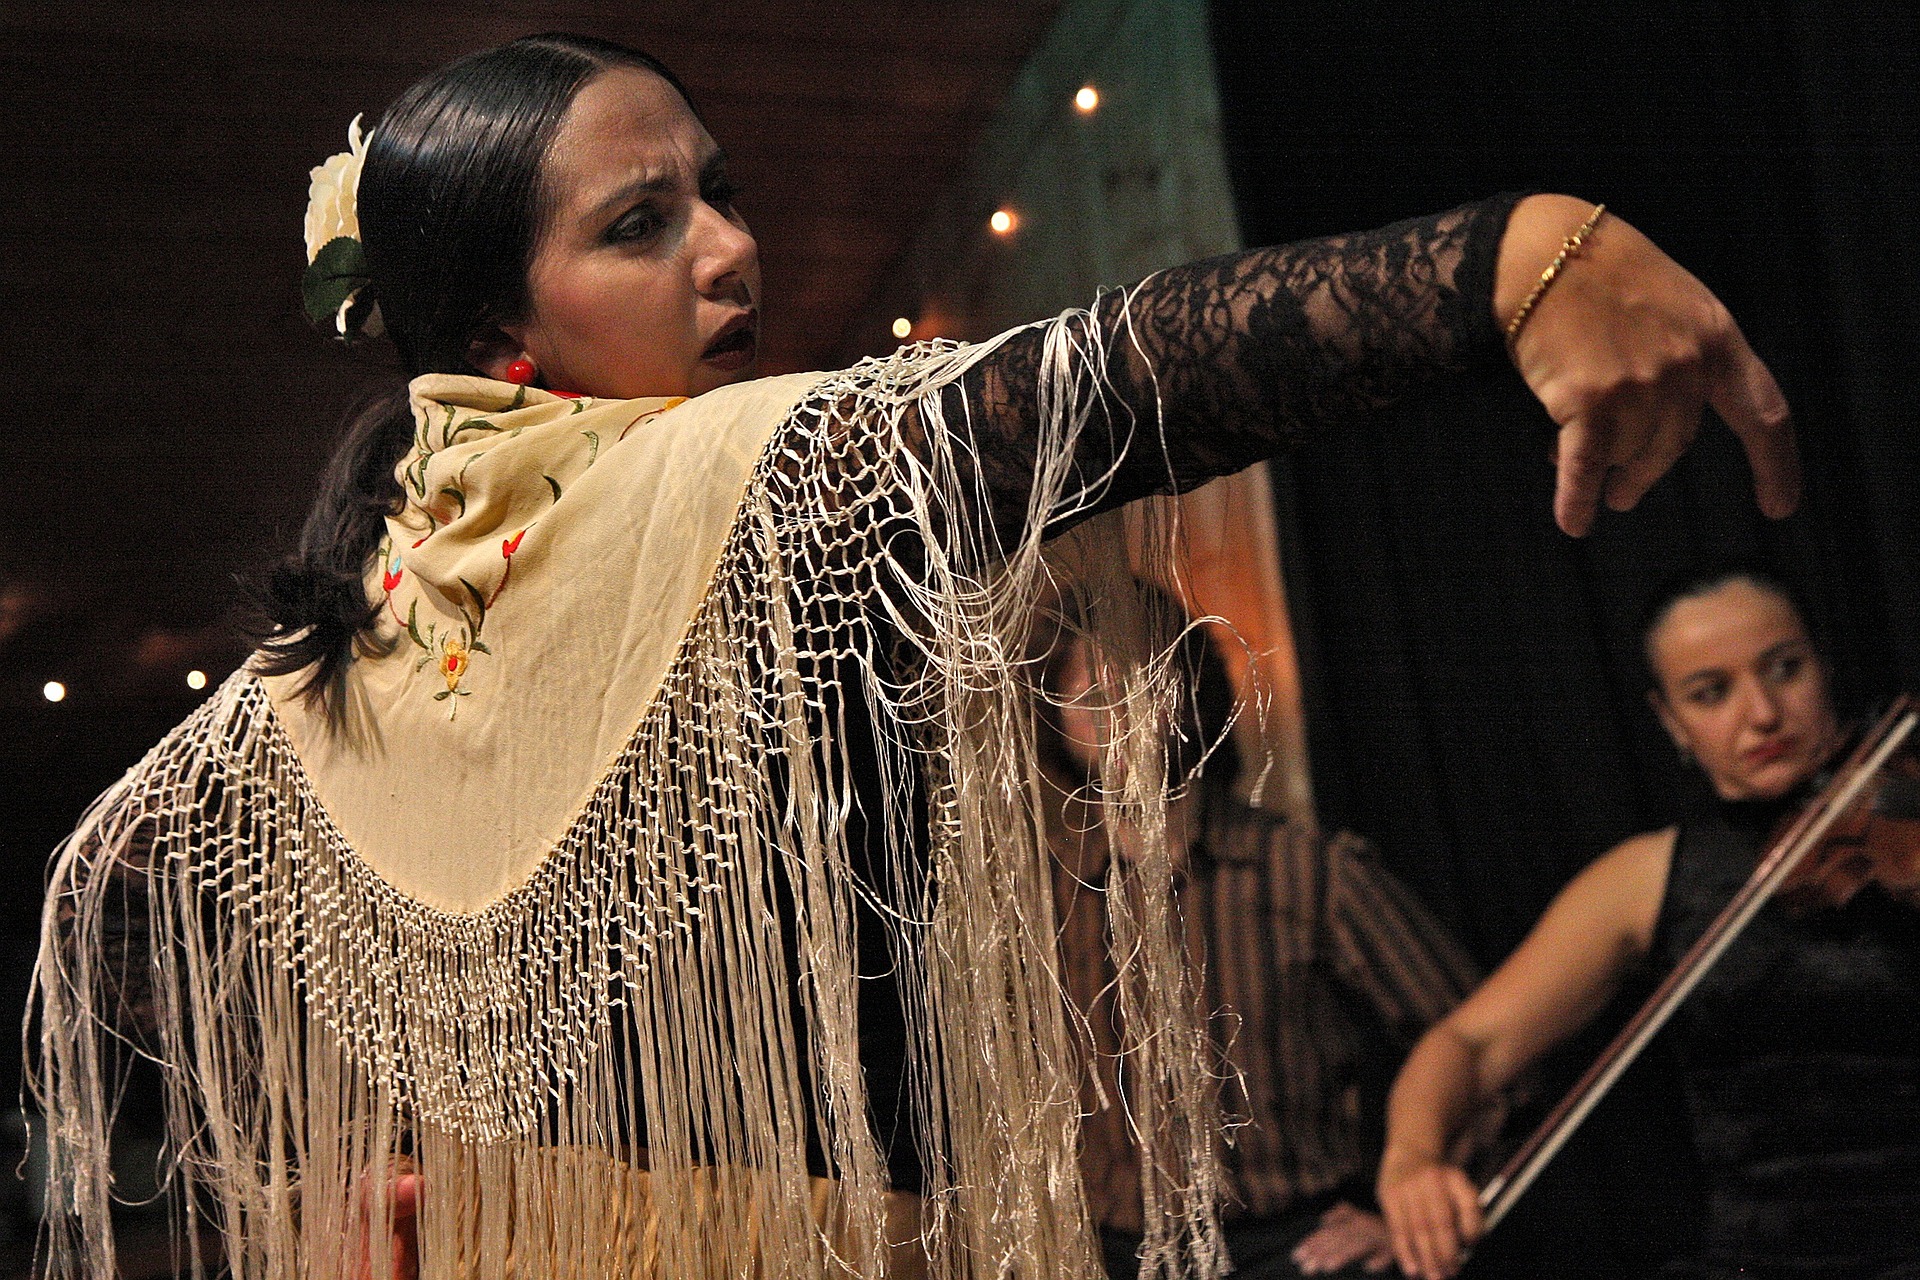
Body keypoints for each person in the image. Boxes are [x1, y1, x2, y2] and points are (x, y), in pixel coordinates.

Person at [29, 30, 1798, 1280]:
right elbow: (1101, 386)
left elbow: (105, 901)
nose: (733, 249)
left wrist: (426, 1159)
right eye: (641, 225)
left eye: (717, 192)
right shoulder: (740, 481)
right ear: (498, 318)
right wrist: (1500, 267)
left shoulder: (338, 656)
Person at [1375, 566, 1920, 1280]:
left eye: (1785, 669)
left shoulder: (1904, 820)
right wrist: (1410, 1158)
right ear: (1671, 721)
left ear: (1825, 666)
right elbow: (1469, 1043)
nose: (1761, 713)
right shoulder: (1647, 877)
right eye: (1711, 692)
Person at [1040, 608, 1486, 1279]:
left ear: (1185, 693)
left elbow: (1480, 1044)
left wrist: (1409, 1212)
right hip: (1111, 1253)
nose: (1118, 716)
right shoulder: (1053, 897)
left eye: (1140, 685)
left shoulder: (1306, 868)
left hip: (1291, 1243)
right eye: (1091, 698)